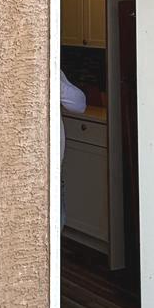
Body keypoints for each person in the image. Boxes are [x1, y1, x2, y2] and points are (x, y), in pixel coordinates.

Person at [60, 71, 88, 227]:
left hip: (54, 172)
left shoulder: (54, 71)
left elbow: (79, 104)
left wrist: (51, 81)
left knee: (57, 225)